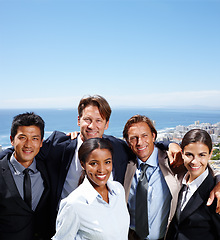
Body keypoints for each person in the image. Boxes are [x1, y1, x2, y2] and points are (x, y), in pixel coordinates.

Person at [122, 115, 220, 240]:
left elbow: (202, 167)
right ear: (127, 141)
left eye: (144, 135)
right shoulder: (123, 164)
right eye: (133, 138)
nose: (140, 142)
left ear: (153, 136)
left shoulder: (174, 161)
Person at [52, 138, 130, 240]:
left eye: (107, 162)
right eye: (94, 163)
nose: (102, 170)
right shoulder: (73, 204)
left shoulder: (118, 190)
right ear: (83, 164)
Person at [0, 112, 51, 240]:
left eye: (34, 138)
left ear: (41, 143)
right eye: (22, 137)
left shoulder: (48, 169)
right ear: (12, 140)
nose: (28, 144)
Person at [166, 129, 220, 240]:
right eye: (189, 154)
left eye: (201, 155)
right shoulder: (179, 180)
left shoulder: (216, 194)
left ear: (210, 154)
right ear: (182, 154)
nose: (195, 161)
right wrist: (171, 144)